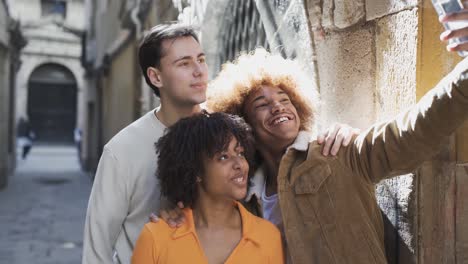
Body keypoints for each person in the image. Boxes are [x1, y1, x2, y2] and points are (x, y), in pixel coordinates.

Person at [82, 22, 352, 264]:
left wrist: (337, 134)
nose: (199, 72)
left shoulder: (228, 130)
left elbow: (284, 138)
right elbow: (97, 249)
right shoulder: (121, 151)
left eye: (201, 60)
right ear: (155, 77)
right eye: (184, 64)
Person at [204, 40, 468, 262]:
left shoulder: (337, 152)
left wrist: (463, 76)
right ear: (243, 123)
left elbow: (412, 132)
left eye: (285, 100)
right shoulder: (245, 200)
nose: (278, 107)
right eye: (262, 104)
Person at [132, 113, 284, 264]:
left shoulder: (268, 237)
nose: (240, 164)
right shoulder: (156, 237)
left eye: (240, 153)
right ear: (196, 171)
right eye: (223, 157)